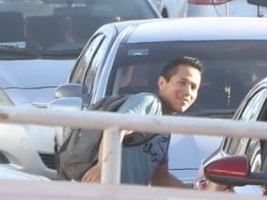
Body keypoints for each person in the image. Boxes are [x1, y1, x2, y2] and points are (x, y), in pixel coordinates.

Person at [81, 56, 203, 187]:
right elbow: (116, 127)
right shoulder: (149, 102)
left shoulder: (165, 125)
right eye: (182, 83)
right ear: (162, 83)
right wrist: (103, 167)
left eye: (193, 87)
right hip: (105, 195)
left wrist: (195, 195)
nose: (188, 92)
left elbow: (160, 178)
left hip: (130, 198)